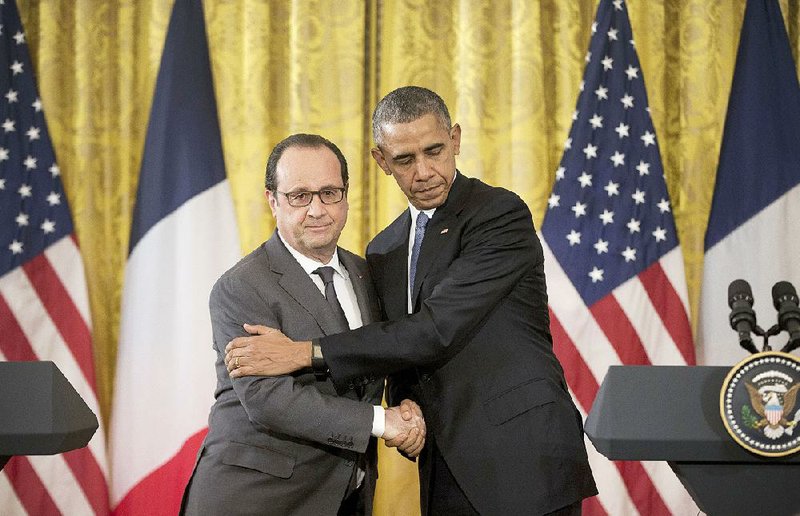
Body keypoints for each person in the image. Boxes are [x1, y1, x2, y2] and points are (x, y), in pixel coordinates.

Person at [225, 88, 597, 515]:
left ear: (455, 140)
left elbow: (437, 328)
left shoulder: (498, 214)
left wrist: (304, 353)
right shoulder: (384, 250)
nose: (424, 171)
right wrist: (404, 404)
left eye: (434, 150)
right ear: (382, 161)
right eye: (404, 159)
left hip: (524, 459)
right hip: (444, 460)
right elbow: (399, 351)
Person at [181, 133, 426, 516]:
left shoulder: (366, 273)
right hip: (257, 498)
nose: (317, 210)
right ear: (272, 200)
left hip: (346, 496)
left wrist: (406, 406)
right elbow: (269, 400)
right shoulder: (242, 286)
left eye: (330, 193)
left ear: (346, 197)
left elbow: (380, 354)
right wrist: (383, 421)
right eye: (300, 196)